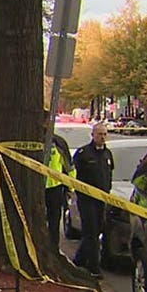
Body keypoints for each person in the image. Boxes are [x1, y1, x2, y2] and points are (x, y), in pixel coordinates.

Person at [71, 122, 114, 276]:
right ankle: (94, 267)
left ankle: (79, 259)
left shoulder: (107, 154)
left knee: (96, 230)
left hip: (101, 199)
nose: (102, 137)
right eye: (99, 134)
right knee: (91, 230)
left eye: (104, 134)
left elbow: (109, 175)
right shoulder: (83, 154)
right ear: (93, 135)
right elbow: (75, 174)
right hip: (86, 199)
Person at [44, 112, 75, 246]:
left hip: (54, 188)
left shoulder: (58, 142)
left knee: (54, 221)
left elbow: (69, 167)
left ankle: (53, 247)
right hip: (34, 188)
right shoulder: (32, 139)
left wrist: (70, 187)